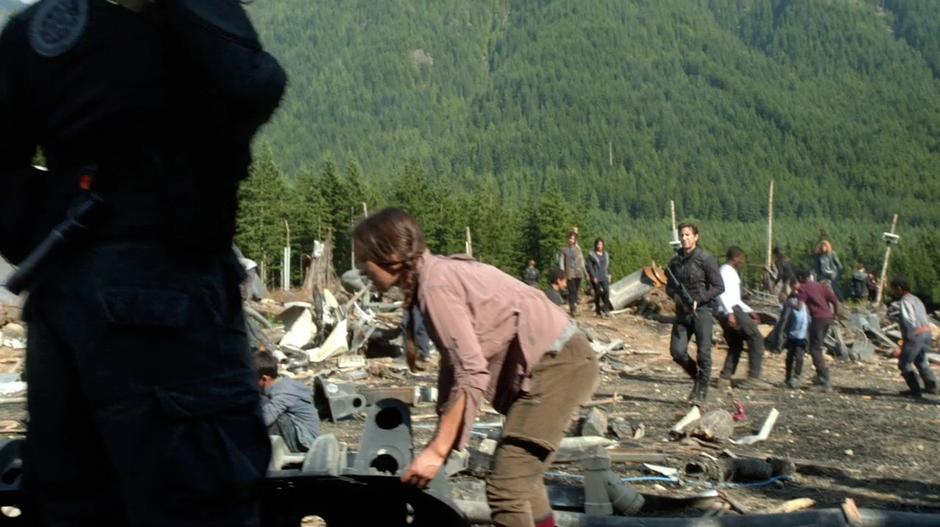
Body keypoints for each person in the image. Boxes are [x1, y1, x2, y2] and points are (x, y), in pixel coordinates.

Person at [0, 1, 285, 524]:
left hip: (62, 294)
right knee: (200, 496)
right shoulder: (184, 12)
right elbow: (253, 84)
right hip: (169, 290)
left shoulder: (38, 26)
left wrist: (49, 223)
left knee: (74, 496)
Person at [354, 208, 598, 527]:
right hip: (558, 362)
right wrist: (440, 439)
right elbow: (454, 365)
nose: (361, 268)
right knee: (522, 480)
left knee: (505, 488)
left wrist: (438, 452)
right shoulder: (433, 276)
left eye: (364, 260)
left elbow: (471, 373)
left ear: (390, 256)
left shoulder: (435, 286)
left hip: (557, 366)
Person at [667, 223, 724, 406]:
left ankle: (702, 393)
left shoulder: (705, 259)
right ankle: (697, 377)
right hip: (682, 312)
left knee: (704, 354)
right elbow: (669, 286)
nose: (684, 238)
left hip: (702, 311)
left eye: (688, 235)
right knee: (677, 351)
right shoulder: (675, 262)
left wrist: (700, 299)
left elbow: (719, 286)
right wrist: (675, 296)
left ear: (696, 237)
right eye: (682, 235)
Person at [716, 247, 770, 390]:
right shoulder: (725, 271)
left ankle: (725, 378)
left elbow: (735, 298)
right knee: (756, 337)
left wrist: (750, 310)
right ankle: (754, 377)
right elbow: (721, 293)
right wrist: (730, 313)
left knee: (736, 344)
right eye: (742, 258)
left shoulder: (729, 272)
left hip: (732, 309)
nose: (743, 262)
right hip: (731, 310)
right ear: (736, 257)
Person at [256, 352, 321, 452]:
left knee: (268, 413)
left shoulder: (285, 393)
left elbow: (265, 419)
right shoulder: (278, 384)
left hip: (304, 441)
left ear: (265, 379)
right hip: (295, 432)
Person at [888, 277, 938, 398]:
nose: (893, 292)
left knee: (904, 363)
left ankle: (915, 391)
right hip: (927, 332)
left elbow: (909, 319)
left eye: (894, 289)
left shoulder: (905, 301)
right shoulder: (917, 299)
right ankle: (932, 387)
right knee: (921, 361)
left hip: (916, 334)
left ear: (899, 288)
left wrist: (909, 337)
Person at [796, 269, 838, 391]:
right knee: (818, 347)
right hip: (828, 318)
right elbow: (834, 301)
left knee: (815, 349)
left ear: (801, 278)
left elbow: (799, 306)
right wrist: (835, 314)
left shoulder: (803, 288)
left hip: (817, 319)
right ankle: (821, 377)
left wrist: (789, 302)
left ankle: (824, 380)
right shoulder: (822, 286)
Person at [777, 280, 810, 389]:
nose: (796, 291)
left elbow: (801, 310)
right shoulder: (790, 301)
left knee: (799, 355)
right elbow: (784, 317)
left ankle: (796, 377)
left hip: (803, 333)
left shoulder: (805, 300)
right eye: (793, 289)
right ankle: (788, 378)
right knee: (790, 356)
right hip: (792, 333)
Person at [559, 230, 588, 316]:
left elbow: (582, 261)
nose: (571, 240)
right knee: (572, 291)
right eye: (570, 238)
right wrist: (562, 273)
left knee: (576, 291)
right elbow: (561, 263)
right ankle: (573, 308)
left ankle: (574, 306)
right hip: (569, 273)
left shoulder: (578, 250)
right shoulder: (564, 250)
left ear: (575, 240)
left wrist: (586, 273)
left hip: (578, 273)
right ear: (568, 239)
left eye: (573, 239)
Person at [587, 238, 613, 317]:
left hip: (604, 275)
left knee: (606, 291)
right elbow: (590, 267)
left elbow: (608, 265)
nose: (599, 246)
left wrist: (610, 274)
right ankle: (598, 310)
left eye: (601, 244)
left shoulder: (606, 254)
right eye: (598, 244)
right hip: (596, 277)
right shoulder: (592, 255)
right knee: (598, 293)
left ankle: (606, 309)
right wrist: (593, 276)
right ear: (595, 245)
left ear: (603, 245)